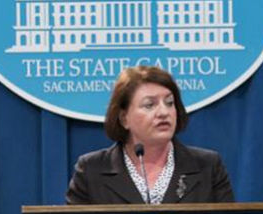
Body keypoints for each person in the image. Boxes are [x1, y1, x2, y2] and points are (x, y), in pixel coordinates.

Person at [66, 66, 234, 204]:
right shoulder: (91, 170)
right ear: (124, 118)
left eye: (169, 103)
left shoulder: (208, 166)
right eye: (149, 105)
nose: (163, 112)